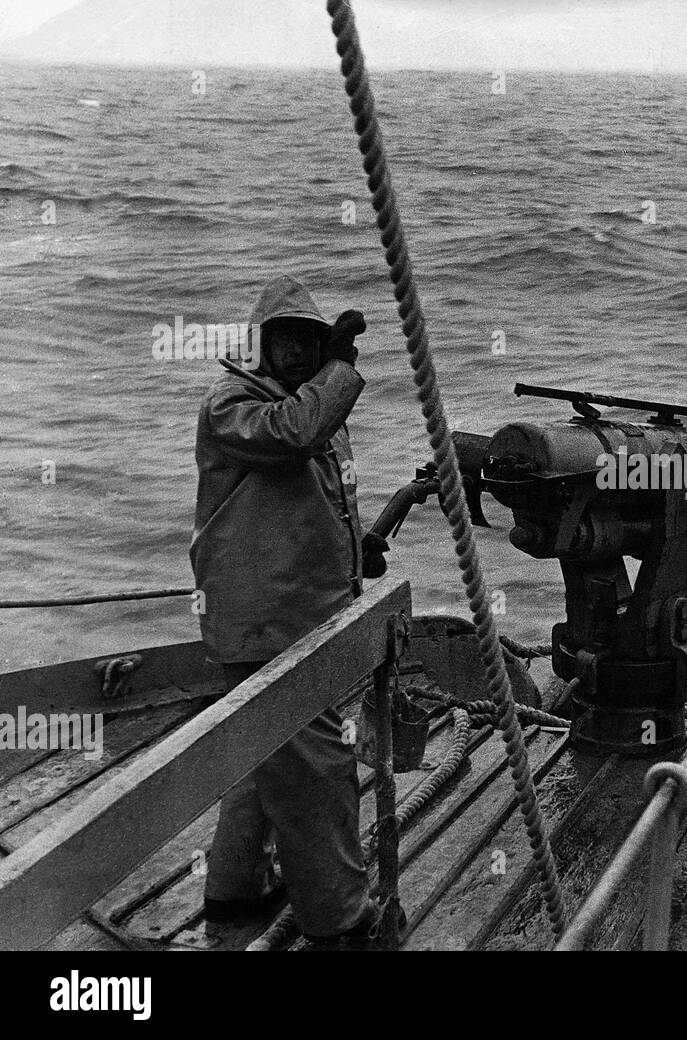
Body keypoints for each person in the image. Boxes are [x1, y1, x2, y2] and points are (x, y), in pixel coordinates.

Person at [189, 274, 389, 948]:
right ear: (258, 345)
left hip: (290, 617)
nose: (299, 353)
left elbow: (312, 491)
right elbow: (294, 434)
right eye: (285, 340)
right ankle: (340, 917)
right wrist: (337, 371)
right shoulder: (233, 404)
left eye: (309, 339)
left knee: (260, 756)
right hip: (266, 622)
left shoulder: (297, 402)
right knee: (314, 772)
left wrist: (356, 549)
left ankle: (234, 892)